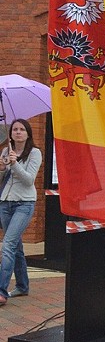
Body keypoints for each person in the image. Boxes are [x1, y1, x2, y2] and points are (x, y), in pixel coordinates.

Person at [0, 119, 42, 306]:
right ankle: (23, 286)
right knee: (16, 246)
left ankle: (1, 291)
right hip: (5, 203)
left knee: (7, 245)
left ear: (28, 134)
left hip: (23, 204)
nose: (18, 132)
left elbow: (28, 180)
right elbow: (4, 180)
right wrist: (2, 168)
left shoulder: (34, 153)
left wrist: (15, 164)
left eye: (21, 130)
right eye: (15, 129)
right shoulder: (5, 151)